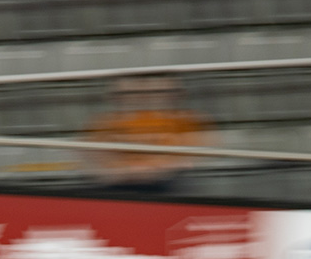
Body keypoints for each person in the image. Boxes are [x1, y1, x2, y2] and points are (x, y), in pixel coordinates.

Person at [83, 76, 213, 195]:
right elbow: (95, 154)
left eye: (161, 92)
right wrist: (124, 170)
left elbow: (196, 152)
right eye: (127, 94)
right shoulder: (105, 121)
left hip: (167, 182)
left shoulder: (187, 119)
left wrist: (157, 168)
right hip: (122, 182)